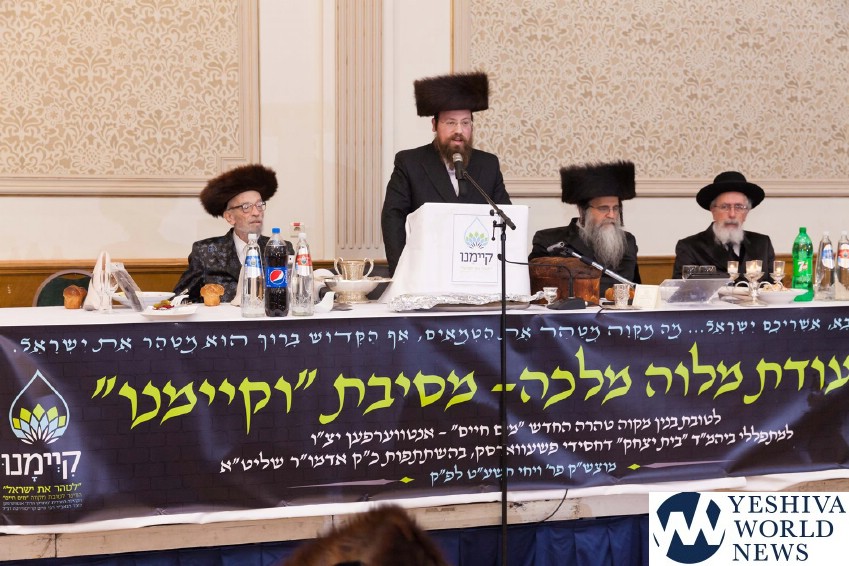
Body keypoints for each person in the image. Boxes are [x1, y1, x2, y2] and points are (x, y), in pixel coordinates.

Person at [381, 71, 512, 276]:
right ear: (434, 125)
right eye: (450, 122)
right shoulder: (410, 163)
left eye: (465, 122)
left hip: (477, 271)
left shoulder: (488, 164)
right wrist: (402, 274)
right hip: (426, 272)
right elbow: (393, 219)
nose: (459, 130)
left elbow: (505, 216)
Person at [173, 164, 294, 303]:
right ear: (230, 217)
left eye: (259, 205)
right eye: (246, 207)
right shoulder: (205, 252)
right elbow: (178, 299)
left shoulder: (280, 249)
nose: (256, 212)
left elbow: (295, 294)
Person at [528, 161, 641, 295]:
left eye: (615, 208)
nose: (611, 215)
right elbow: (537, 287)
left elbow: (635, 288)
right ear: (582, 210)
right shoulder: (549, 240)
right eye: (603, 208)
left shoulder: (628, 241)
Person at [672, 170, 775, 279]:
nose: (732, 214)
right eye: (724, 207)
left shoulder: (763, 244)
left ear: (746, 212)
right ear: (713, 211)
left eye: (739, 207)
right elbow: (682, 285)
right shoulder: (689, 247)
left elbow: (775, 286)